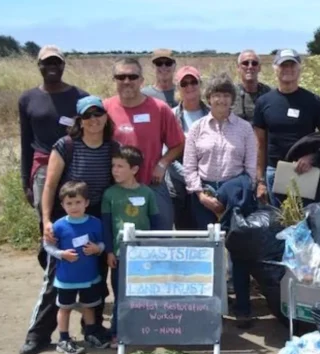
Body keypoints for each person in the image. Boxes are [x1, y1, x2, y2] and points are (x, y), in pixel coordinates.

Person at [18, 45, 90, 354]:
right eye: (47, 63)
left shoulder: (79, 95)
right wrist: (26, 181)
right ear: (39, 65)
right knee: (52, 248)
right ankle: (41, 332)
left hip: (74, 171)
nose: (52, 67)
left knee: (83, 244)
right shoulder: (28, 99)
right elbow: (24, 142)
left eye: (57, 63)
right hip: (43, 170)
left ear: (63, 65)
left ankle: (92, 327)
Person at [36, 95, 119, 343]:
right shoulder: (66, 145)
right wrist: (47, 221)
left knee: (95, 274)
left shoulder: (112, 147)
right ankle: (39, 334)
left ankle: (91, 329)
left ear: (106, 117)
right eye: (87, 116)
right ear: (79, 121)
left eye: (98, 114)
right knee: (57, 278)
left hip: (96, 217)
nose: (94, 120)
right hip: (68, 218)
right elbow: (49, 187)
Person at [183, 74, 258, 328]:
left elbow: (250, 168)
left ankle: (243, 307)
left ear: (232, 100)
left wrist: (237, 192)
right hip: (203, 193)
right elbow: (189, 167)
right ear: (209, 98)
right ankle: (209, 308)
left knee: (239, 252)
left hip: (236, 193)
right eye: (217, 95)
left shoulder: (244, 129)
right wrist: (200, 194)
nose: (221, 99)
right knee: (208, 253)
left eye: (226, 95)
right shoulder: (197, 129)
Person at [103, 57, 186, 231]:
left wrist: (162, 164)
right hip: (117, 188)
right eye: (121, 77)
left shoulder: (159, 108)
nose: (127, 81)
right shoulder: (104, 109)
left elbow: (178, 143)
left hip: (152, 184)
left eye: (132, 77)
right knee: (121, 242)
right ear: (114, 80)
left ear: (141, 80)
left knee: (161, 236)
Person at [252, 49, 320, 208]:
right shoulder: (264, 102)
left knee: (309, 224)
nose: (287, 69)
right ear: (275, 69)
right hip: (276, 173)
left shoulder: (313, 101)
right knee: (279, 226)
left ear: (299, 69)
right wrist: (260, 181)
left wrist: (312, 158)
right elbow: (259, 145)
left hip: (307, 172)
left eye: (292, 65)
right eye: (283, 65)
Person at [42, 181, 109, 354]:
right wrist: (61, 254)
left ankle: (91, 333)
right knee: (65, 308)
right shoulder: (58, 226)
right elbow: (47, 246)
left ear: (86, 203)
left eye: (78, 202)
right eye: (69, 203)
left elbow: (103, 243)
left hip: (90, 276)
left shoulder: (95, 223)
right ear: (62, 205)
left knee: (89, 306)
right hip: (66, 279)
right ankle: (63, 339)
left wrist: (97, 249)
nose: (74, 207)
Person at [102, 146, 160, 343]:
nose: (115, 170)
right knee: (121, 296)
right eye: (113, 166)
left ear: (134, 170)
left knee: (144, 294)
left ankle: (144, 329)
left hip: (144, 255)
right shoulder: (109, 194)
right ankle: (118, 332)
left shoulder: (147, 193)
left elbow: (156, 224)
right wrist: (109, 251)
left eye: (120, 166)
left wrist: (154, 250)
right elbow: (106, 225)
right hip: (120, 254)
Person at [171, 66, 209, 230]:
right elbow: (167, 156)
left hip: (207, 184)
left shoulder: (212, 114)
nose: (189, 87)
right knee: (184, 236)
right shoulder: (171, 115)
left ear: (200, 84)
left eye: (193, 82)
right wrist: (191, 179)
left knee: (208, 234)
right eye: (184, 83)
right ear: (178, 88)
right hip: (179, 187)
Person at [232, 50, 272, 123]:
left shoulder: (270, 93)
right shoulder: (230, 93)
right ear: (238, 67)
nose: (250, 67)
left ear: (259, 68)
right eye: (245, 63)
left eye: (254, 63)